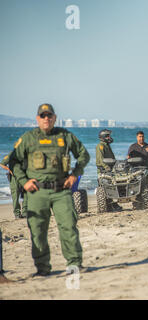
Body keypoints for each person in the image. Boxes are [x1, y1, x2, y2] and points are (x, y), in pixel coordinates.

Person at [9, 103, 90, 276]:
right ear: (37, 118)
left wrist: (75, 174)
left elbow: (83, 155)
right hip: (37, 192)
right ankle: (43, 269)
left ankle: (74, 264)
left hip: (61, 191)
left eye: (49, 115)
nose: (46, 119)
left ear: (54, 117)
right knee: (38, 231)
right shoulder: (28, 138)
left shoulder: (65, 136)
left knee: (68, 226)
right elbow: (13, 161)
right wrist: (23, 181)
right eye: (43, 116)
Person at [96, 129, 122, 211]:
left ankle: (113, 204)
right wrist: (107, 168)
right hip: (103, 171)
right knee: (106, 188)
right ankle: (110, 205)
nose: (109, 137)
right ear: (103, 137)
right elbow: (100, 160)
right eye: (107, 136)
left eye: (109, 136)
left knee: (113, 186)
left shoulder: (106, 145)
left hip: (110, 170)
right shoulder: (100, 146)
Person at [1, 150, 28, 219]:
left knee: (26, 195)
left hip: (25, 177)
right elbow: (2, 164)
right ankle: (17, 214)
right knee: (15, 196)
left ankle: (25, 213)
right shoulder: (12, 154)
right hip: (14, 178)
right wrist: (9, 170)